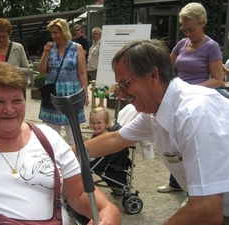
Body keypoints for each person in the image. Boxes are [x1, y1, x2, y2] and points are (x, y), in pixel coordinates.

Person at [0, 61, 121, 225]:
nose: (10, 109)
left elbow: (80, 192)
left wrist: (107, 210)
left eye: (17, 100)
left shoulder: (50, 139)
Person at [73, 39, 229, 224]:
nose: (121, 94)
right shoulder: (157, 109)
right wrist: (60, 154)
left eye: (125, 83)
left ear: (153, 76)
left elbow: (206, 210)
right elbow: (116, 139)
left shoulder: (195, 115)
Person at [161, 2, 227, 193]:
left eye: (191, 28)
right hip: (179, 97)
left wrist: (188, 89)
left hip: (200, 100)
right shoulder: (182, 43)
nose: (187, 33)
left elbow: (217, 80)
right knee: (175, 140)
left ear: (203, 23)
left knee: (195, 144)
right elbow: (166, 66)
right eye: (184, 28)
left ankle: (199, 188)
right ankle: (176, 183)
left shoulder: (211, 46)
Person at [38, 18, 89, 145]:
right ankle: (55, 161)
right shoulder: (50, 49)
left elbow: (82, 72)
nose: (53, 36)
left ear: (64, 32)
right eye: (51, 33)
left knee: (73, 135)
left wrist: (85, 94)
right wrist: (45, 54)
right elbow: (42, 71)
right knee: (52, 135)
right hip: (53, 95)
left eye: (56, 32)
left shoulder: (77, 48)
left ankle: (76, 161)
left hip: (72, 94)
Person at [88, 27, 105, 107]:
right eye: (93, 34)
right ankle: (96, 103)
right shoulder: (94, 42)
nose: (94, 35)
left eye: (96, 33)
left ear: (100, 34)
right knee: (95, 87)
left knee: (100, 86)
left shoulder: (101, 43)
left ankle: (101, 103)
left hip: (98, 68)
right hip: (93, 69)